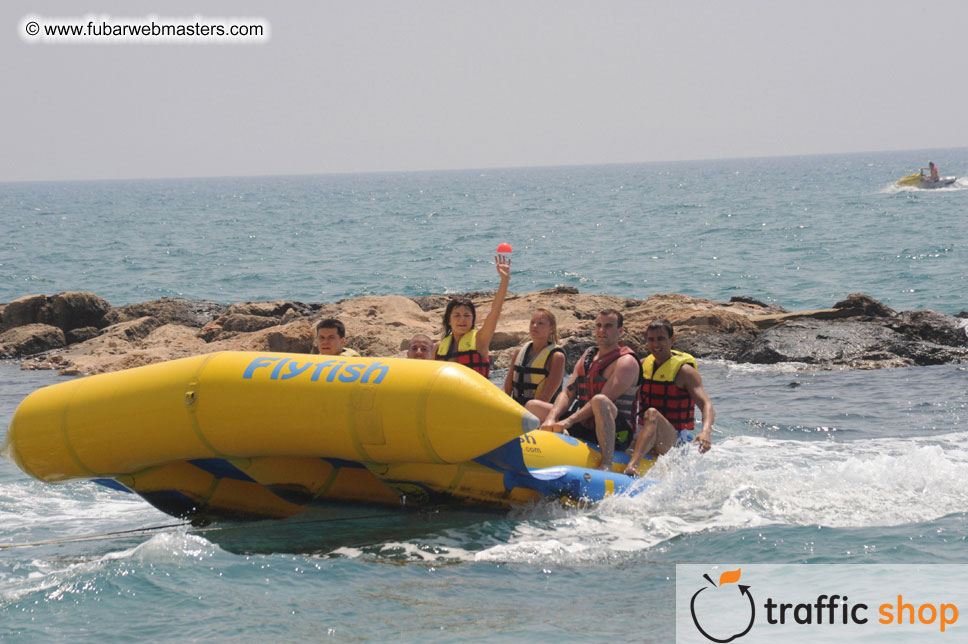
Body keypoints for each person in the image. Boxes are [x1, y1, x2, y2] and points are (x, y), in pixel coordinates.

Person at [527, 309, 640, 471]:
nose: (602, 330)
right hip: (585, 425)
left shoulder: (626, 362)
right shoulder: (588, 356)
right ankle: (534, 454)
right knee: (533, 406)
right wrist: (551, 418)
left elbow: (602, 399)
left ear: (620, 331)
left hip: (618, 433)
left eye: (608, 326)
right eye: (599, 325)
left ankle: (607, 463)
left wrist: (568, 421)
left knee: (600, 401)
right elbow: (568, 392)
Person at [624, 319, 714, 476]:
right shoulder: (642, 365)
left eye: (660, 339)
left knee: (652, 414)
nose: (655, 344)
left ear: (672, 340)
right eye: (651, 339)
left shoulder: (685, 372)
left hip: (674, 441)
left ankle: (632, 465)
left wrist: (705, 432)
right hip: (644, 432)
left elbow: (707, 405)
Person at [434, 254, 511, 378]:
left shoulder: (480, 340)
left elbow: (495, 312)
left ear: (472, 319)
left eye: (467, 315)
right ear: (448, 320)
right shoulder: (438, 347)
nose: (462, 320)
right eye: (457, 315)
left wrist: (504, 280)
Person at [503, 308, 566, 405]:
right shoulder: (518, 352)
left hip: (541, 411)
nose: (534, 326)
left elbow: (545, 398)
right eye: (532, 322)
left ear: (551, 328)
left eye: (540, 323)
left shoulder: (556, 357)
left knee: (533, 406)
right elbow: (506, 390)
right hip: (517, 409)